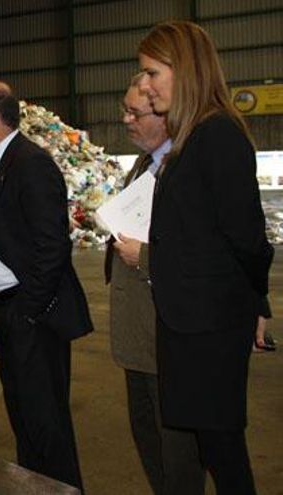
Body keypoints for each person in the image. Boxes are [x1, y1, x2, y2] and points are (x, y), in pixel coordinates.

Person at [137, 20, 273, 494]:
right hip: (188, 321)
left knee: (223, 449)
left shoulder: (218, 137)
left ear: (186, 71)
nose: (144, 85)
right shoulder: (189, 137)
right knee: (209, 444)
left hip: (212, 325)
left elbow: (249, 239)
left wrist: (258, 302)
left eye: (152, 73)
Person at [0, 80, 92, 489]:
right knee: (24, 419)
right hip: (7, 309)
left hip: (32, 314)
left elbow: (52, 248)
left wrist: (26, 311)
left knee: (46, 424)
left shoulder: (30, 163)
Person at [105, 79, 205, 494]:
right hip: (138, 337)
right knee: (148, 439)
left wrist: (142, 257)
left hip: (169, 336)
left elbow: (204, 254)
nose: (126, 120)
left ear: (166, 115)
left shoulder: (188, 167)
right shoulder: (144, 164)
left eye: (135, 113)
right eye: (125, 110)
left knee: (178, 451)